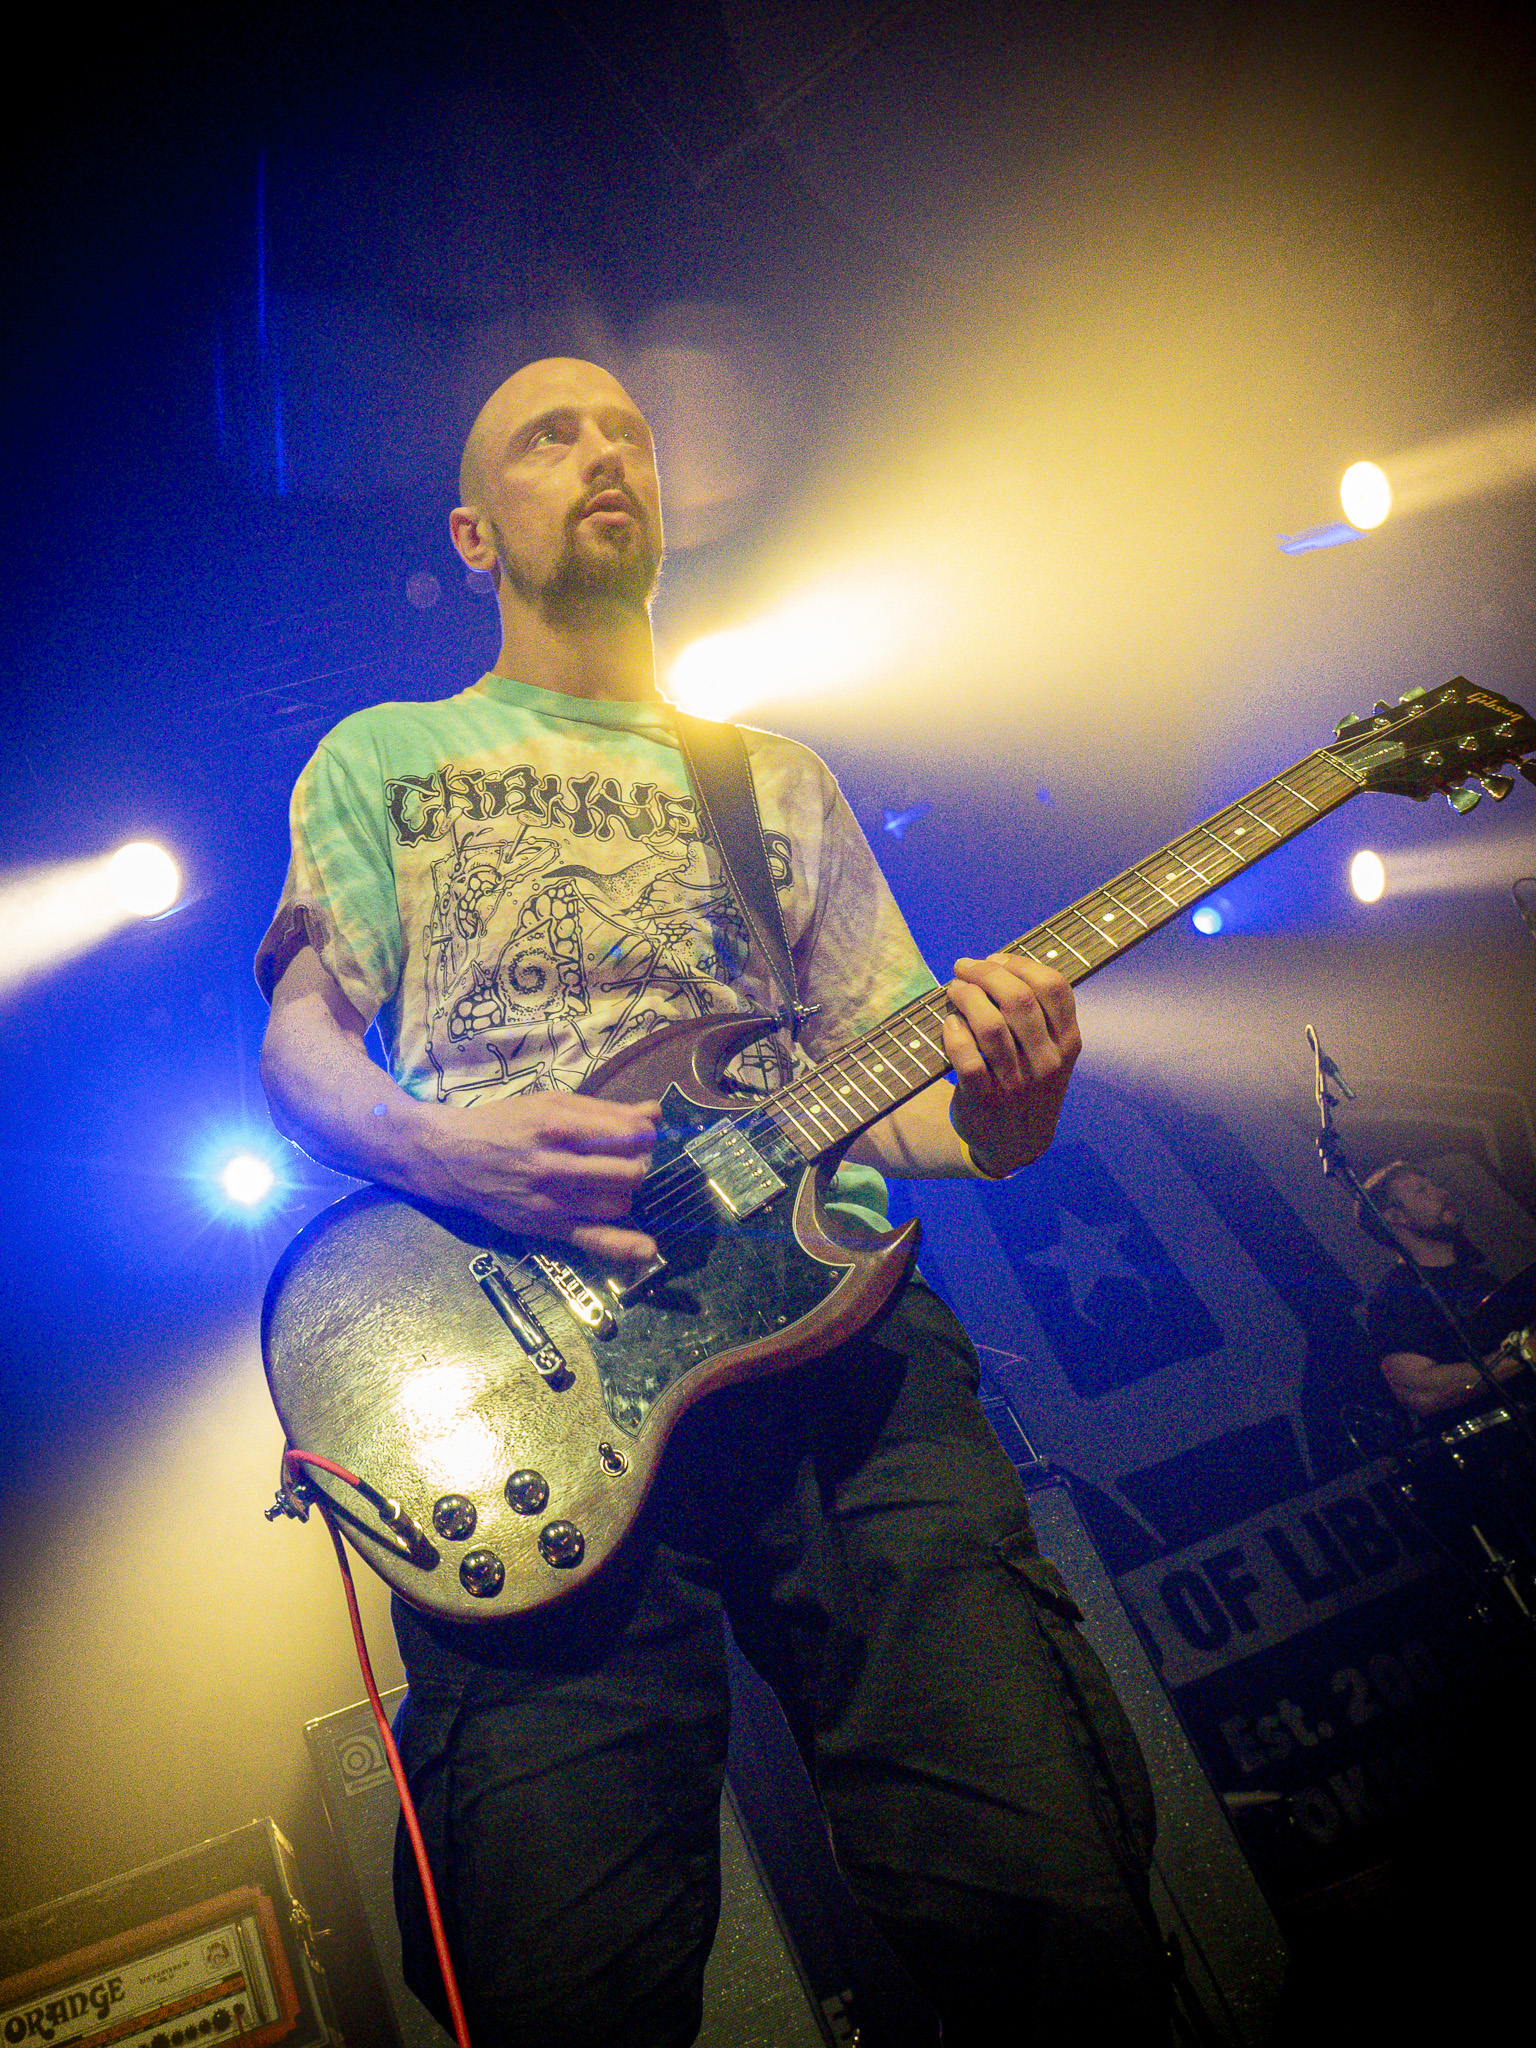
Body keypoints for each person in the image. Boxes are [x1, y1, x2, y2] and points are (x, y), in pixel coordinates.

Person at [256, 357, 1167, 2047]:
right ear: (473, 532)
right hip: (525, 1384)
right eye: (549, 436)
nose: (603, 451)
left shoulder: (773, 778)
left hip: (836, 1356)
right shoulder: (385, 754)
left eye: (629, 431)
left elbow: (902, 1093)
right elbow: (300, 1045)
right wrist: (442, 1150)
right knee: (568, 1979)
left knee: (1045, 1900)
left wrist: (1008, 1110)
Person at [1359, 1161, 1530, 1420]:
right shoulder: (1394, 1298)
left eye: (1434, 1185)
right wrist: (1522, 1356)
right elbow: (1419, 1392)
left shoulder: (1480, 1278)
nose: (1441, 1193)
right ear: (1395, 1218)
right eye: (1422, 1191)